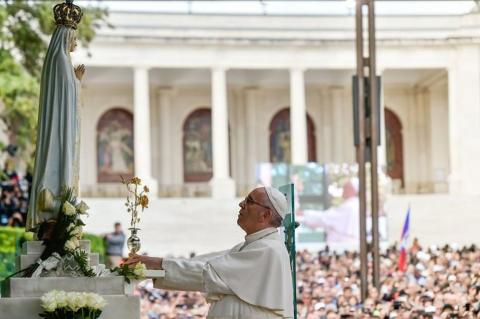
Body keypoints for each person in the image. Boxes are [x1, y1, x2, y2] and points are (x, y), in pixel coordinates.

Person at [125, 186, 294, 319]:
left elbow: (210, 272)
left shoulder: (269, 250)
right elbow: (209, 261)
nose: (241, 204)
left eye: (249, 201)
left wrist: (160, 264)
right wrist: (157, 266)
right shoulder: (251, 246)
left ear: (265, 214)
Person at [26, 0, 85, 232]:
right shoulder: (61, 61)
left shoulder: (58, 60)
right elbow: (67, 96)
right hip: (60, 129)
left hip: (60, 124)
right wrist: (77, 83)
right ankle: (54, 213)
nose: (76, 42)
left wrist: (75, 81)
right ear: (66, 36)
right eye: (74, 36)